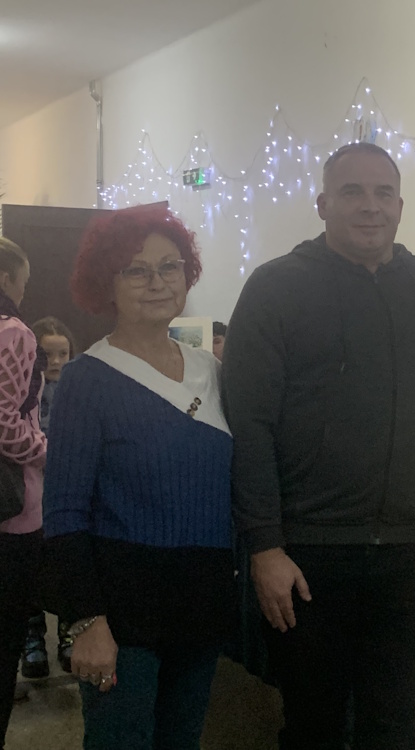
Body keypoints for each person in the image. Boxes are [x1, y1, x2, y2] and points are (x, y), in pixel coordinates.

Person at [222, 142, 415, 750]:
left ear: (401, 205)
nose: (370, 206)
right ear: (322, 203)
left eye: (383, 193)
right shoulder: (276, 287)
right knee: (314, 726)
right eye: (352, 192)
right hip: (309, 556)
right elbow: (249, 425)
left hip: (413, 555)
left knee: (393, 724)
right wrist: (265, 547)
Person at [42, 204, 235, 749]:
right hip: (122, 619)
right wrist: (86, 622)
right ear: (108, 282)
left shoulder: (212, 372)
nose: (157, 281)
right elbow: (63, 515)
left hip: (201, 607)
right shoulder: (86, 379)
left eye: (170, 266)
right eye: (136, 269)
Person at [0, 237, 47, 748]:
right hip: (12, 508)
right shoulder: (13, 331)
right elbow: (6, 426)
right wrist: (51, 452)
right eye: (23, 283)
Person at [18, 316, 77, 678]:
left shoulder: (80, 389)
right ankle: (33, 639)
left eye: (62, 353)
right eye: (46, 354)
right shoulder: (22, 391)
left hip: (68, 493)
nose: (55, 362)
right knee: (31, 569)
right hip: (30, 494)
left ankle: (69, 633)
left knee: (68, 565)